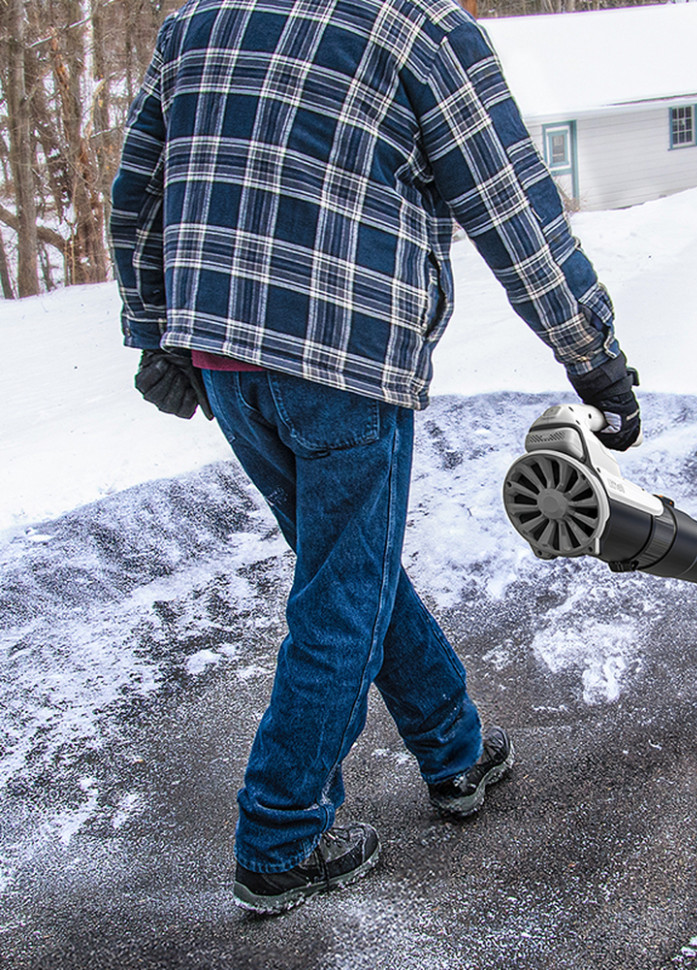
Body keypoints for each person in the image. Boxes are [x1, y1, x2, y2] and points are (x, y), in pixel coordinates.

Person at [110, 0, 641, 916]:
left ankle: (455, 749)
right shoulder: (420, 28)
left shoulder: (200, 16)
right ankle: (281, 835)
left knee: (346, 570)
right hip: (342, 360)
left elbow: (141, 187)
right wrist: (592, 356)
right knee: (342, 593)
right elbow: (514, 210)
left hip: (224, 358)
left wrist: (153, 329)